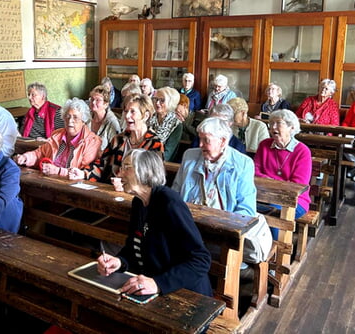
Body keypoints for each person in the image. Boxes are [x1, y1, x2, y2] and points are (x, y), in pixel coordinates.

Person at [97, 149, 212, 297]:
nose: (119, 174)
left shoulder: (169, 202)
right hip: (154, 287)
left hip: (186, 292)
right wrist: (119, 262)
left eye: (127, 168)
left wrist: (158, 283)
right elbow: (134, 248)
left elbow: (200, 260)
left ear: (144, 171)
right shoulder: (139, 202)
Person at [172, 117, 272, 267]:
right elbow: (176, 191)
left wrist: (221, 225)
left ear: (223, 141)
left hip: (222, 231)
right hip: (188, 225)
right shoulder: (190, 156)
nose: (200, 145)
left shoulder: (243, 164)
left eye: (206, 140)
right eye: (199, 139)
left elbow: (247, 210)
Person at [69, 94, 163, 184]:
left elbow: (152, 178)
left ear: (146, 116)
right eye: (126, 111)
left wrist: (126, 185)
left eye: (132, 112)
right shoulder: (118, 139)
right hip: (112, 189)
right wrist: (83, 173)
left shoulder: (155, 143)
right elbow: (102, 164)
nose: (127, 116)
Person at [254, 109, 312, 238]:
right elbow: (255, 171)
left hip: (294, 200)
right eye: (271, 123)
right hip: (263, 195)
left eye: (278, 123)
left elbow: (298, 185)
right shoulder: (264, 145)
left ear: (291, 127)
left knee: (275, 213)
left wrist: (269, 181)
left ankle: (275, 253)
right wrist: (275, 183)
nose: (273, 127)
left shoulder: (302, 151)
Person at [14, 98, 101, 177]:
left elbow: (84, 173)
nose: (70, 121)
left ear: (83, 121)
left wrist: (58, 171)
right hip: (51, 181)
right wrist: (25, 158)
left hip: (73, 187)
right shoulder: (57, 135)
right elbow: (40, 153)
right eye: (67, 117)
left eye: (75, 118)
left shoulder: (92, 142)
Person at [149, 87, 183, 161]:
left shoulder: (176, 124)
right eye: (156, 99)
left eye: (162, 100)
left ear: (170, 103)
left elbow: (168, 154)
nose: (157, 103)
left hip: (159, 162)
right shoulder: (148, 118)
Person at [88, 85, 121, 151]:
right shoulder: (86, 117)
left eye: (98, 100)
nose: (93, 102)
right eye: (92, 99)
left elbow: (116, 148)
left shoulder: (112, 122)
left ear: (105, 104)